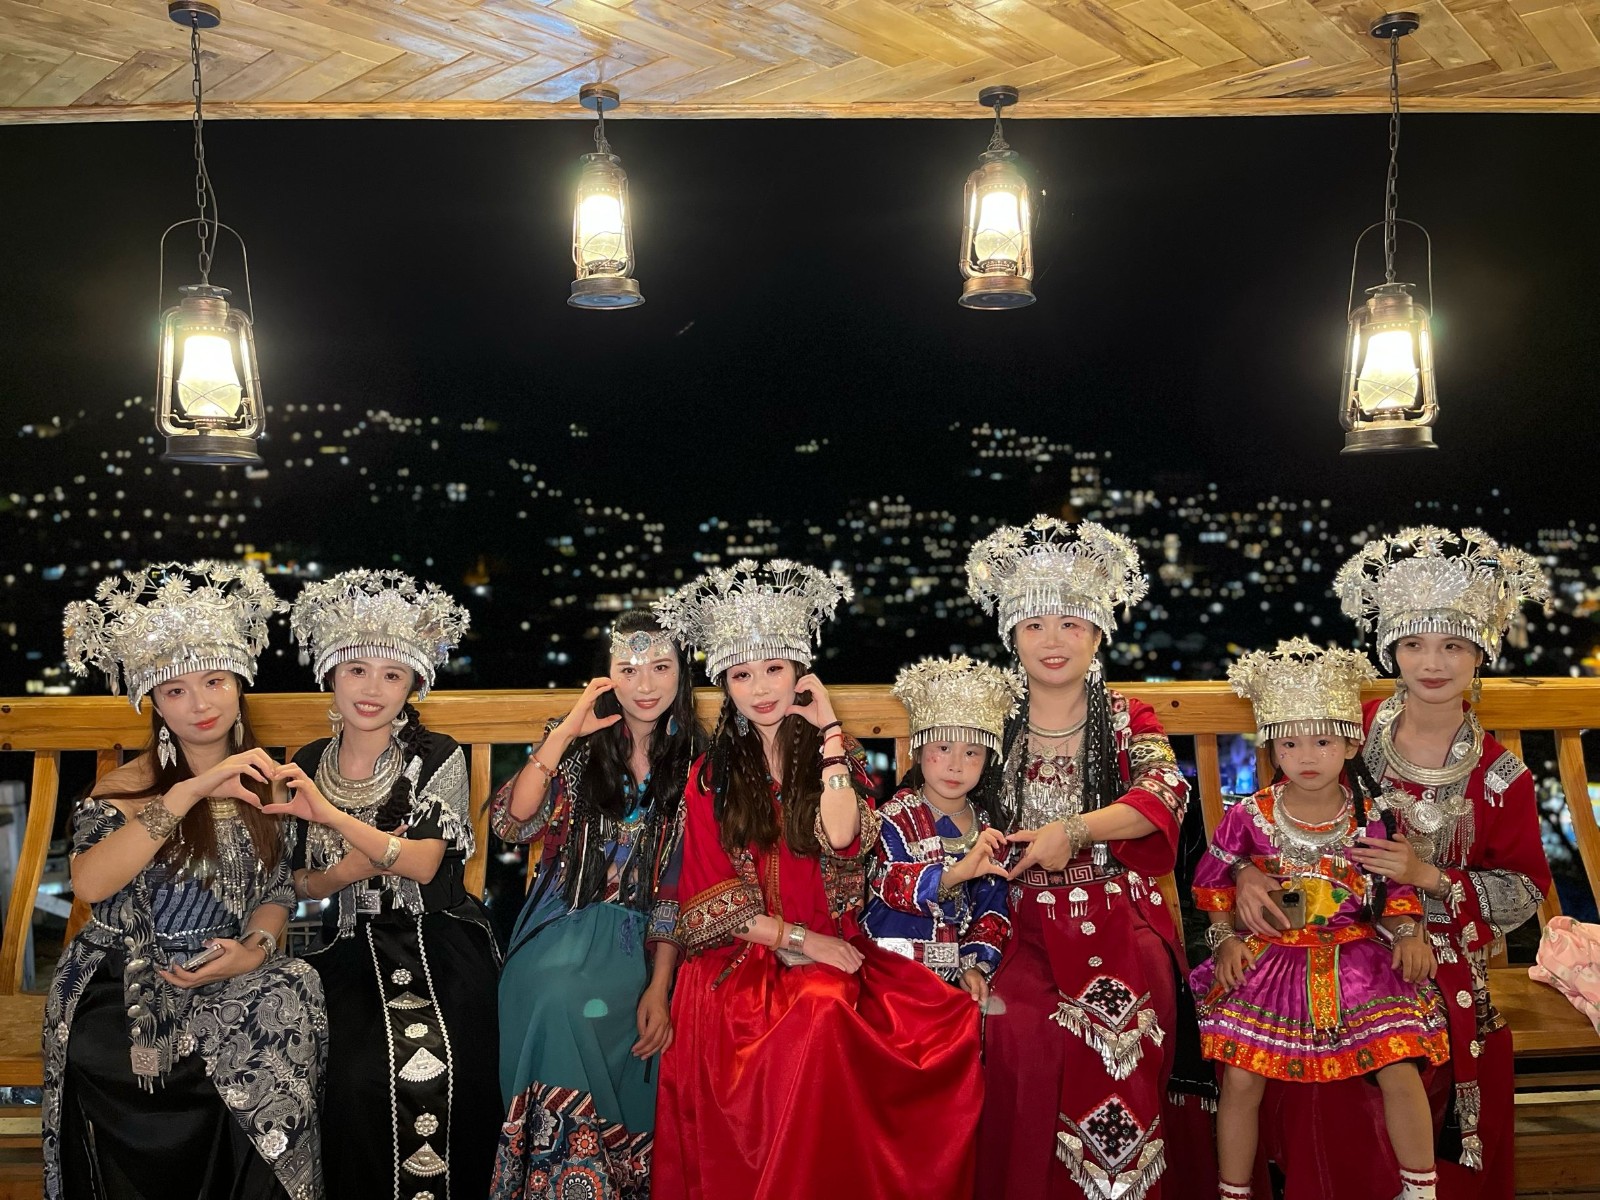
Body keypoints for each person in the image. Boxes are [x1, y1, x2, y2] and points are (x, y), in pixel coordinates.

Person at [651, 559, 984, 1200]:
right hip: (741, 962)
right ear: (725, 684)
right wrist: (802, 940)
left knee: (940, 1021)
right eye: (742, 675)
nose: (760, 689)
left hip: (835, 944)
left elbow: (843, 835)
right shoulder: (711, 777)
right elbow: (711, 905)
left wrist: (829, 732)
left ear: (799, 673)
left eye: (774, 669)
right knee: (821, 1007)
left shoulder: (837, 757)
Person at [1242, 528, 1553, 1200]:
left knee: (1408, 1052)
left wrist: (1428, 878)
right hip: (1325, 937)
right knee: (1305, 1045)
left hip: (1438, 954)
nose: (1431, 663)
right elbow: (1268, 817)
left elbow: (1525, 889)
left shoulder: (1502, 777)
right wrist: (1246, 873)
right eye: (1413, 644)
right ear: (1390, 650)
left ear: (1481, 653)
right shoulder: (1343, 731)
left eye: (1453, 646)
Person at [50, 561, 326, 1200]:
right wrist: (189, 792)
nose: (199, 705)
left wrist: (254, 949)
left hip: (227, 968)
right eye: (175, 690)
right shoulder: (126, 787)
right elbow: (89, 883)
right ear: (154, 701)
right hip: (124, 983)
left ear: (239, 684)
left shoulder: (269, 783)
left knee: (293, 990)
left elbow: (276, 891)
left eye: (214, 682)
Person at [966, 518, 1214, 1200]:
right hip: (1009, 919)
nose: (1053, 640)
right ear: (1011, 634)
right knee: (1015, 1035)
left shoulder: (1128, 718)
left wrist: (1073, 832)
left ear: (1099, 633)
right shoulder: (988, 718)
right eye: (1035, 624)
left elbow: (1164, 793)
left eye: (1071, 624)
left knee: (1121, 1028)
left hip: (1118, 912)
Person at [266, 568, 500, 1198]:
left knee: (454, 1066)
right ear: (330, 676)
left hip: (437, 936)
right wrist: (346, 871)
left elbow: (423, 866)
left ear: (412, 685)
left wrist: (332, 817)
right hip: (340, 942)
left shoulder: (436, 755)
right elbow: (296, 881)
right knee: (348, 1075)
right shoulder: (306, 762)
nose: (372, 689)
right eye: (357, 670)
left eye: (392, 675)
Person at [1193, 639, 1449, 1200]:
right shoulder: (1248, 816)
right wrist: (1225, 941)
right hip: (1271, 959)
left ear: (1351, 743)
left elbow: (1394, 888)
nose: (1306, 756)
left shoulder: (1372, 817)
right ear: (1272, 748)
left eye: (1323, 741)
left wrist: (1409, 932)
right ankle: (1233, 1192)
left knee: (1399, 1062)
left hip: (1358, 958)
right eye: (1290, 743)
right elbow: (1212, 883)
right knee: (1241, 1075)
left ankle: (1421, 1190)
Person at [489, 612, 705, 1199]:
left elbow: (679, 887)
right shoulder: (580, 748)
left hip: (647, 937)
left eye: (660, 667)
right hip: (563, 920)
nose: (645, 685)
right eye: (627, 670)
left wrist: (659, 985)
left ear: (682, 674)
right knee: (555, 994)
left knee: (591, 1005)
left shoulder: (696, 762)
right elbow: (512, 823)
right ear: (605, 677)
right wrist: (565, 733)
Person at [863, 654, 1019, 1002]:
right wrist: (954, 874)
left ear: (987, 760)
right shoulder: (895, 818)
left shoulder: (989, 829)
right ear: (919, 752)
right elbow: (888, 882)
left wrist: (975, 965)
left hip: (958, 971)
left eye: (972, 753)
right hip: (893, 967)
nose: (955, 765)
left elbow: (993, 908)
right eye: (943, 747)